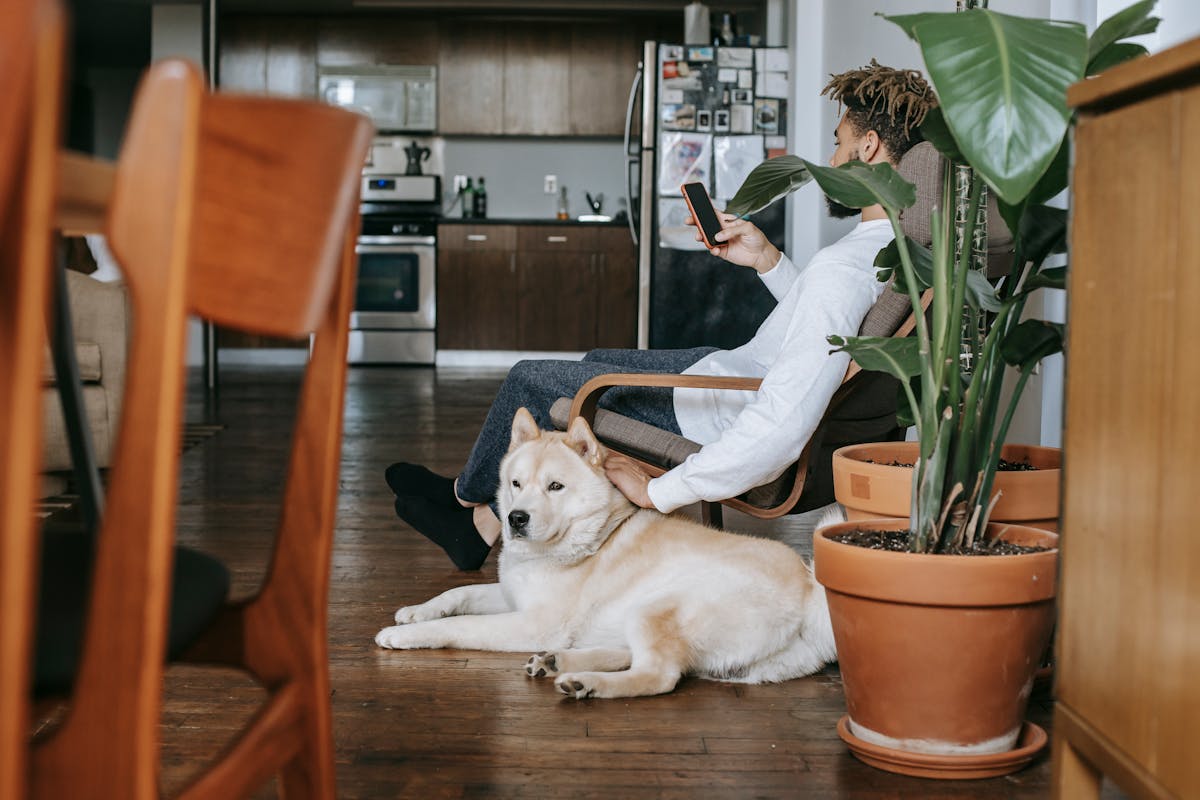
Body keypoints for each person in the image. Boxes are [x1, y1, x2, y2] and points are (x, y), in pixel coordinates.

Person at [387, 61, 937, 570]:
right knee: (597, 361)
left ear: (868, 147)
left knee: (530, 379)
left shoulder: (845, 267)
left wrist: (660, 490)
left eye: (838, 143)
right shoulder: (889, 251)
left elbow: (783, 421)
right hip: (724, 374)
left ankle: (465, 507)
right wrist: (768, 261)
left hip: (716, 407)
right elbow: (827, 337)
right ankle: (477, 507)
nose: (831, 160)